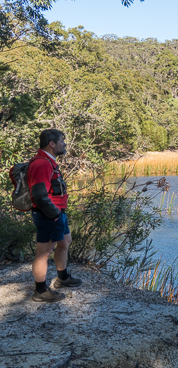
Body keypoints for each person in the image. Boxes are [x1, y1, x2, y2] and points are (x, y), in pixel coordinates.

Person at [28, 129, 82, 302]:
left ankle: (62, 278)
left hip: (57, 213)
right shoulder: (42, 163)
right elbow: (39, 195)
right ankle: (40, 291)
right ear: (52, 144)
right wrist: (54, 215)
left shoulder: (48, 162)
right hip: (49, 215)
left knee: (65, 242)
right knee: (44, 252)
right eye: (62, 141)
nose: (64, 144)